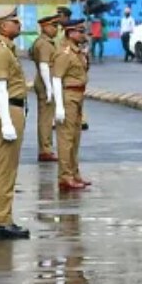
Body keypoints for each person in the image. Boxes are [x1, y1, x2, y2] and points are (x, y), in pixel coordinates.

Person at [0, 5, 29, 241]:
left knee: (8, 168)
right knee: (4, 169)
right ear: (3, 26)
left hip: (11, 110)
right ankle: (1, 222)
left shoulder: (6, 49)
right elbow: (0, 88)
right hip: (7, 111)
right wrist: (6, 123)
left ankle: (5, 218)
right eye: (15, 21)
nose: (19, 24)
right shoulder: (1, 51)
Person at [53, 18, 90, 191]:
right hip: (68, 97)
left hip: (78, 96)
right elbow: (56, 78)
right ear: (70, 32)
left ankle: (74, 173)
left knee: (75, 138)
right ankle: (65, 176)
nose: (83, 34)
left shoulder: (77, 52)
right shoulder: (64, 53)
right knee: (66, 139)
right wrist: (59, 106)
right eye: (80, 31)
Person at [31, 14, 59, 163]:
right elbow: (43, 66)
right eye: (54, 26)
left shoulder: (43, 42)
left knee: (47, 117)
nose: (56, 29)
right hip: (44, 82)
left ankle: (46, 147)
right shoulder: (44, 44)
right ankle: (45, 149)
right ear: (45, 27)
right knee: (46, 118)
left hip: (45, 81)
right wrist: (49, 87)